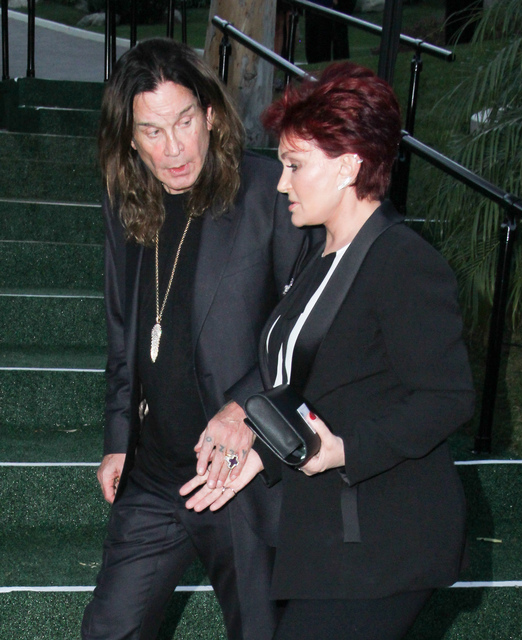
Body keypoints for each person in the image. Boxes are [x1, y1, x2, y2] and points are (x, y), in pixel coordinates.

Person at [182, 62, 475, 640]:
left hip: (386, 539)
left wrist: (345, 449)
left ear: (348, 167)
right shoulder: (321, 260)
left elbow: (447, 398)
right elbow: (324, 384)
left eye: (294, 165)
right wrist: (266, 452)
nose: (281, 183)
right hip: (331, 539)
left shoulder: (402, 260)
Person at [81, 37, 317, 640]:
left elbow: (309, 325)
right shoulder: (125, 200)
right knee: (110, 628)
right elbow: (122, 328)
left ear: (210, 115)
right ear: (130, 139)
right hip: (154, 472)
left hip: (237, 473)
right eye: (152, 131)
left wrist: (245, 410)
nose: (174, 148)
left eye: (185, 121)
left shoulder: (269, 192)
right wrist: (117, 438)